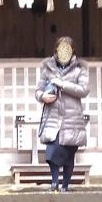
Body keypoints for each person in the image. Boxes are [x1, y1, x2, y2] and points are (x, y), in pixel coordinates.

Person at [35, 35, 89, 191]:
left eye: (67, 49)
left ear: (73, 51)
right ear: (56, 50)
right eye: (61, 49)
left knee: (68, 154)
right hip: (53, 117)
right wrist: (42, 96)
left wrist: (63, 84)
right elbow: (38, 90)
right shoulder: (47, 68)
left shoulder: (80, 69)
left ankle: (65, 185)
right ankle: (54, 182)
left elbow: (84, 90)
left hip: (72, 118)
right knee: (52, 151)